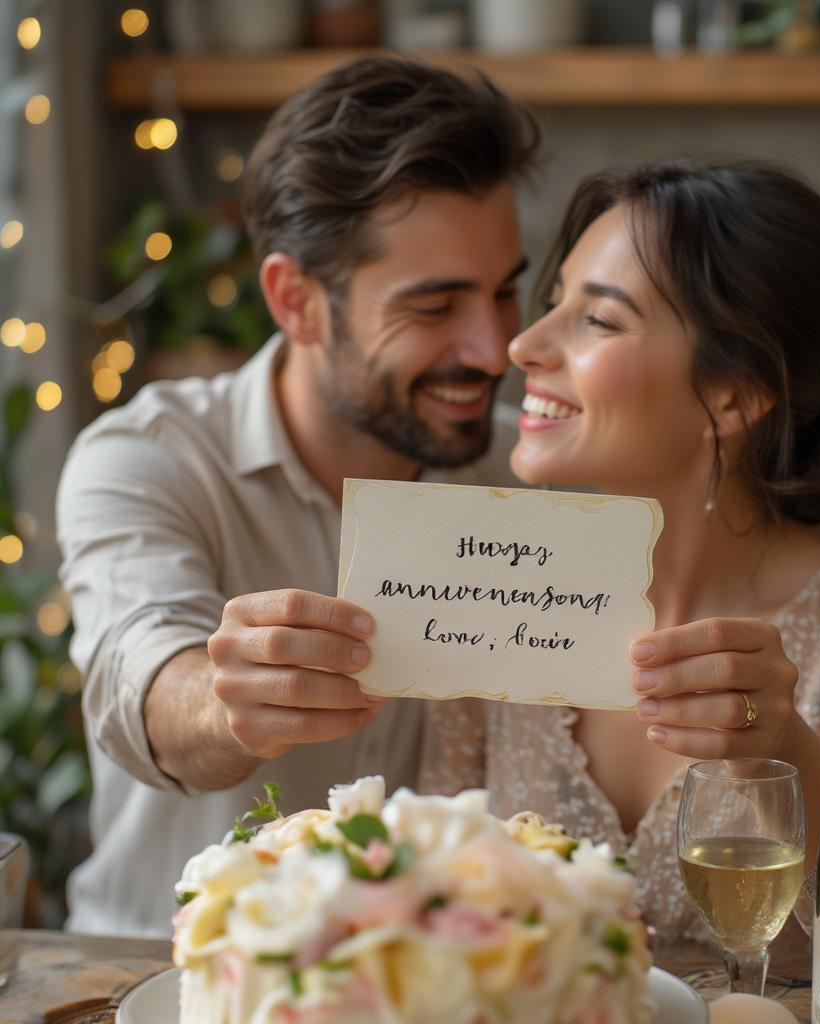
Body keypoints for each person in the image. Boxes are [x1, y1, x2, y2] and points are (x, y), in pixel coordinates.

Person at [420, 158, 820, 962]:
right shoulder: (493, 589)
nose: (523, 345)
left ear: (736, 394)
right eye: (554, 302)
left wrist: (779, 752)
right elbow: (429, 894)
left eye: (597, 321)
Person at [56, 56, 539, 937]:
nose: (495, 348)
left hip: (436, 984)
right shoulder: (143, 461)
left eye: (505, 291)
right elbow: (140, 679)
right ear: (296, 301)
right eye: (435, 307)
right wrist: (225, 698)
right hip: (163, 977)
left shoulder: (532, 475)